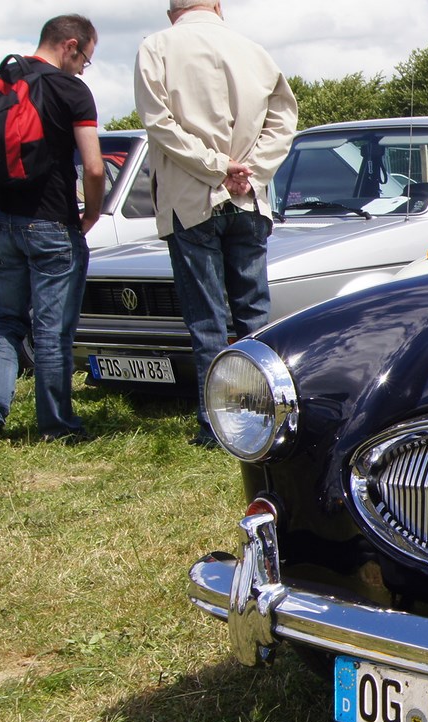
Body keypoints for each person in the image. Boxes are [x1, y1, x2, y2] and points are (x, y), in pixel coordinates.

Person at [134, 0, 297, 447]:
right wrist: (251, 169)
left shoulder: (157, 47)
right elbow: (284, 119)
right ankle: (268, 412)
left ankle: (216, 424)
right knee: (255, 317)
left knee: (207, 320)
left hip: (191, 198)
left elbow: (158, 122)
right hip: (248, 197)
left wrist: (215, 166)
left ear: (173, 12)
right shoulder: (253, 50)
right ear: (218, 7)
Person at [0, 15, 104, 443]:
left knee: (4, 322)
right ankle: (57, 426)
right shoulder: (71, 90)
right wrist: (92, 213)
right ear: (70, 45)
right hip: (52, 222)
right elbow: (94, 167)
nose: (83, 69)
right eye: (85, 59)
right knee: (52, 331)